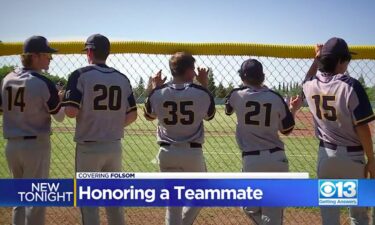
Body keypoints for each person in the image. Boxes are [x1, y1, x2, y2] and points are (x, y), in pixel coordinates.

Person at [62, 34, 137, 225]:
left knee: (89, 203)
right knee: (114, 200)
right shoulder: (122, 78)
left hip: (89, 147)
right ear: (108, 53)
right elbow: (133, 114)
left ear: (89, 52)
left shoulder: (80, 75)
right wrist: (110, 123)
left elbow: (70, 112)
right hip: (113, 146)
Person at [303, 37, 375, 225]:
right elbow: (363, 128)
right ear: (341, 61)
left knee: (329, 216)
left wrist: (316, 59)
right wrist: (372, 158)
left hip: (326, 156)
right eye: (347, 60)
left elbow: (306, 79)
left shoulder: (310, 85)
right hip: (352, 157)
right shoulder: (350, 85)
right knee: (358, 216)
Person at [224, 58, 301, 225]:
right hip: (277, 159)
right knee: (272, 213)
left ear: (243, 77)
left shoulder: (236, 94)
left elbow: (228, 110)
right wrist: (293, 109)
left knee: (248, 205)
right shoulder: (275, 97)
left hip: (252, 160)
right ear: (263, 76)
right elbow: (286, 130)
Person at [144, 52, 215, 225]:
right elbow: (210, 115)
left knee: (173, 204)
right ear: (190, 71)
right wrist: (204, 84)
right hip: (192, 153)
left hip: (166, 151)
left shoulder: (158, 93)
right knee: (202, 194)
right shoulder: (200, 92)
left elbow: (148, 116)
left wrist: (154, 87)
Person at [0, 35, 65, 225]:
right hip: (35, 147)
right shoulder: (43, 82)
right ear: (35, 56)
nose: (50, 58)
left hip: (12, 146)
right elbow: (60, 117)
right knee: (36, 200)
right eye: (47, 54)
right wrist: (58, 99)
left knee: (18, 200)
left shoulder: (7, 78)